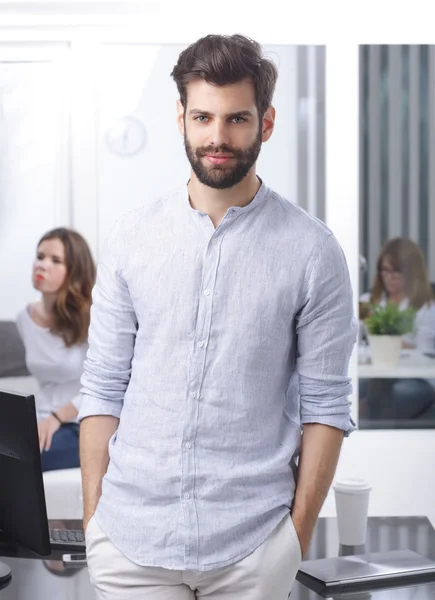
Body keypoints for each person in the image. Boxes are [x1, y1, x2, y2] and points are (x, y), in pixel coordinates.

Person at [79, 34, 358, 600]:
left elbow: (326, 405)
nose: (217, 137)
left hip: (253, 548)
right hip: (130, 540)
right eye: (203, 116)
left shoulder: (312, 250)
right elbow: (103, 386)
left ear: (267, 122)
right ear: (180, 117)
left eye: (237, 119)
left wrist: (294, 538)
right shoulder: (132, 238)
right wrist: (93, 520)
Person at [16, 228, 95, 471]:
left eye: (55, 260)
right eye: (40, 256)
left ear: (75, 270)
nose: (42, 265)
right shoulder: (24, 319)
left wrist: (57, 418)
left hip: (82, 424)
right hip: (40, 420)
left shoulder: (92, 317)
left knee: (20, 460)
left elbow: (106, 384)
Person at [360, 238, 435, 420]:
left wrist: (388, 340)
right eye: (386, 270)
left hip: (413, 377)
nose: (390, 277)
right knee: (351, 387)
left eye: (397, 271)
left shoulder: (426, 306)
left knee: (396, 394)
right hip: (373, 373)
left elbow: (426, 353)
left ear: (412, 273)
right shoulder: (367, 301)